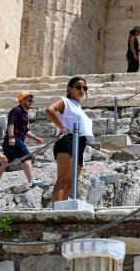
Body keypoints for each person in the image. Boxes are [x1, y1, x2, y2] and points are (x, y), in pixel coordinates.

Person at [46, 76, 95, 204]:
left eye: (85, 88)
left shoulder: (78, 107)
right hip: (67, 140)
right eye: (78, 87)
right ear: (69, 89)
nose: (82, 90)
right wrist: (62, 128)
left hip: (80, 144)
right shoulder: (65, 102)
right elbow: (50, 110)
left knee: (70, 183)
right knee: (62, 181)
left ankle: (63, 211)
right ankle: (56, 213)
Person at [0, 91, 45, 187]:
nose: (31, 102)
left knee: (4, 164)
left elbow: (25, 130)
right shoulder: (16, 110)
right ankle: (31, 180)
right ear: (22, 100)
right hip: (14, 140)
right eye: (29, 100)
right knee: (27, 157)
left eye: (32, 101)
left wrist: (35, 138)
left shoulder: (23, 113)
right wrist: (11, 137)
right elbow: (11, 124)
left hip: (11, 142)